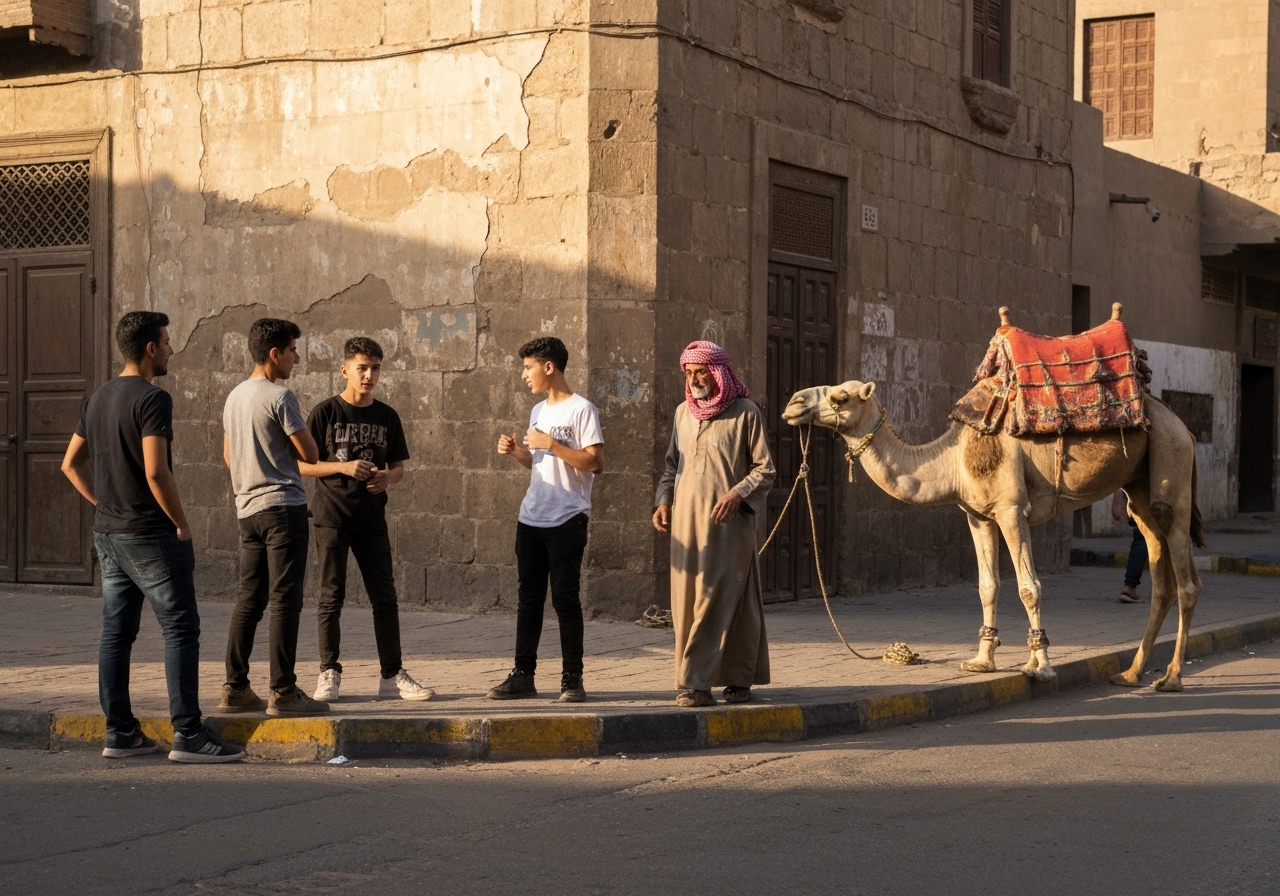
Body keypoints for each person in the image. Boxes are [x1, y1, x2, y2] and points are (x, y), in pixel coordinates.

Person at [61, 311, 244, 762]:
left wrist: (104, 503)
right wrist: (180, 522)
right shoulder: (152, 399)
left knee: (115, 633)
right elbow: (156, 471)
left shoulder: (98, 398)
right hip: (150, 534)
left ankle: (120, 732)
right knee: (180, 628)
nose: (170, 349)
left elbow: (69, 464)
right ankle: (189, 734)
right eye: (166, 342)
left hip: (109, 533)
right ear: (149, 349)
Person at [299, 337, 433, 702]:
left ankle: (392, 674)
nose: (369, 375)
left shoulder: (387, 416)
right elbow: (302, 464)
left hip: (372, 517)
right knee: (331, 596)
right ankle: (329, 672)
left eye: (375, 368)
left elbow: (399, 466)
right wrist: (343, 466)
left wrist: (389, 478)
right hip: (332, 516)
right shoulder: (325, 412)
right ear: (345, 370)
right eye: (362, 368)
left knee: (384, 597)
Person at [652, 341, 775, 707]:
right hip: (686, 526)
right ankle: (736, 678)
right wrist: (663, 501)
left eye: (701, 372)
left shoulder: (746, 413)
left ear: (718, 372)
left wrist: (737, 494)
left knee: (723, 596)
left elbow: (764, 469)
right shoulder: (681, 415)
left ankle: (695, 683)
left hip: (728, 527)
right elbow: (672, 466)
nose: (694, 380)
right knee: (689, 600)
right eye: (689, 373)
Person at [220, 318, 329, 717]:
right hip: (282, 507)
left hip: (246, 509)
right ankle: (283, 692)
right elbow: (311, 454)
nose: (297, 359)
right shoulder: (279, 397)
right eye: (293, 351)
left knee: (249, 599)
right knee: (286, 600)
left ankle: (235, 687)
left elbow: (229, 456)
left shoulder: (234, 397)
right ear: (274, 354)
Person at [487, 337, 603, 703]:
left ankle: (572, 679)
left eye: (528, 367)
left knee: (565, 599)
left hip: (568, 517)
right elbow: (538, 463)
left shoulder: (583, 410)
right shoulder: (537, 412)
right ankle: (523, 674)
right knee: (528, 599)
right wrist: (518, 452)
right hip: (532, 516)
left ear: (548, 367)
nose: (524, 375)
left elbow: (594, 463)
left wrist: (551, 443)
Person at [1111, 489, 1149, 603]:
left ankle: (1129, 587)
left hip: (1139, 496)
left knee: (1141, 538)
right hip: (1156, 494)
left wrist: (1117, 501)